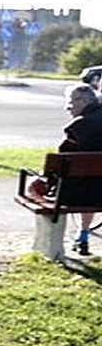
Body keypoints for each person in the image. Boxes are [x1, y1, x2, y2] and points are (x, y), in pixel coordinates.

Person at [59, 83, 102, 255]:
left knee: (87, 184)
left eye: (70, 104)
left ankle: (82, 234)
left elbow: (63, 161)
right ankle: (82, 233)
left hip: (80, 194)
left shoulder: (77, 127)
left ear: (82, 101)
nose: (68, 109)